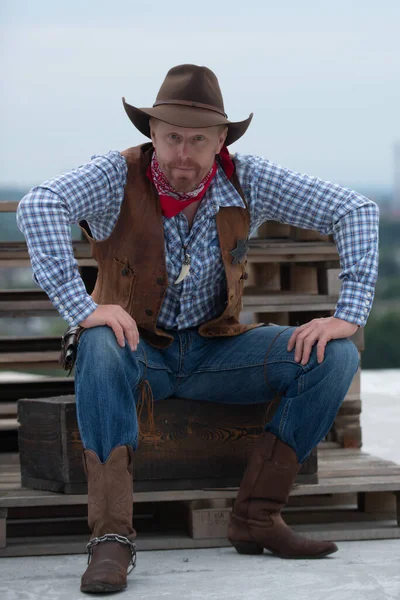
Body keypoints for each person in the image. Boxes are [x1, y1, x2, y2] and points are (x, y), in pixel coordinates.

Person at [17, 64, 379, 594]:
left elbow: (356, 209)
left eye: (198, 140)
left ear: (221, 139)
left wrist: (349, 311)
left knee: (336, 356)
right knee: (96, 340)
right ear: (153, 134)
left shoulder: (246, 177)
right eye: (171, 138)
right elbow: (40, 205)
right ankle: (111, 541)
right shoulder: (115, 175)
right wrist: (81, 307)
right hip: (134, 351)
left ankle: (257, 516)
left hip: (217, 352)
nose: (182, 154)